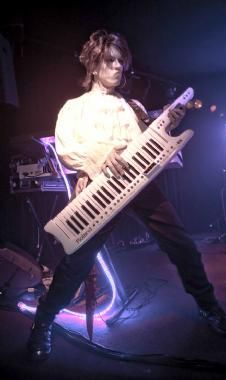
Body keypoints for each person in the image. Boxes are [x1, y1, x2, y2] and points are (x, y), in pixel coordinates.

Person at [27, 29, 226, 361]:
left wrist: (168, 122)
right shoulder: (74, 108)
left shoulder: (134, 107)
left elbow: (152, 144)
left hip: (142, 184)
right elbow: (65, 147)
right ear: (93, 64)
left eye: (122, 60)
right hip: (102, 190)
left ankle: (209, 308)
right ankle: (43, 323)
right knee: (77, 263)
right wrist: (100, 156)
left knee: (182, 245)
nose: (118, 66)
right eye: (110, 60)